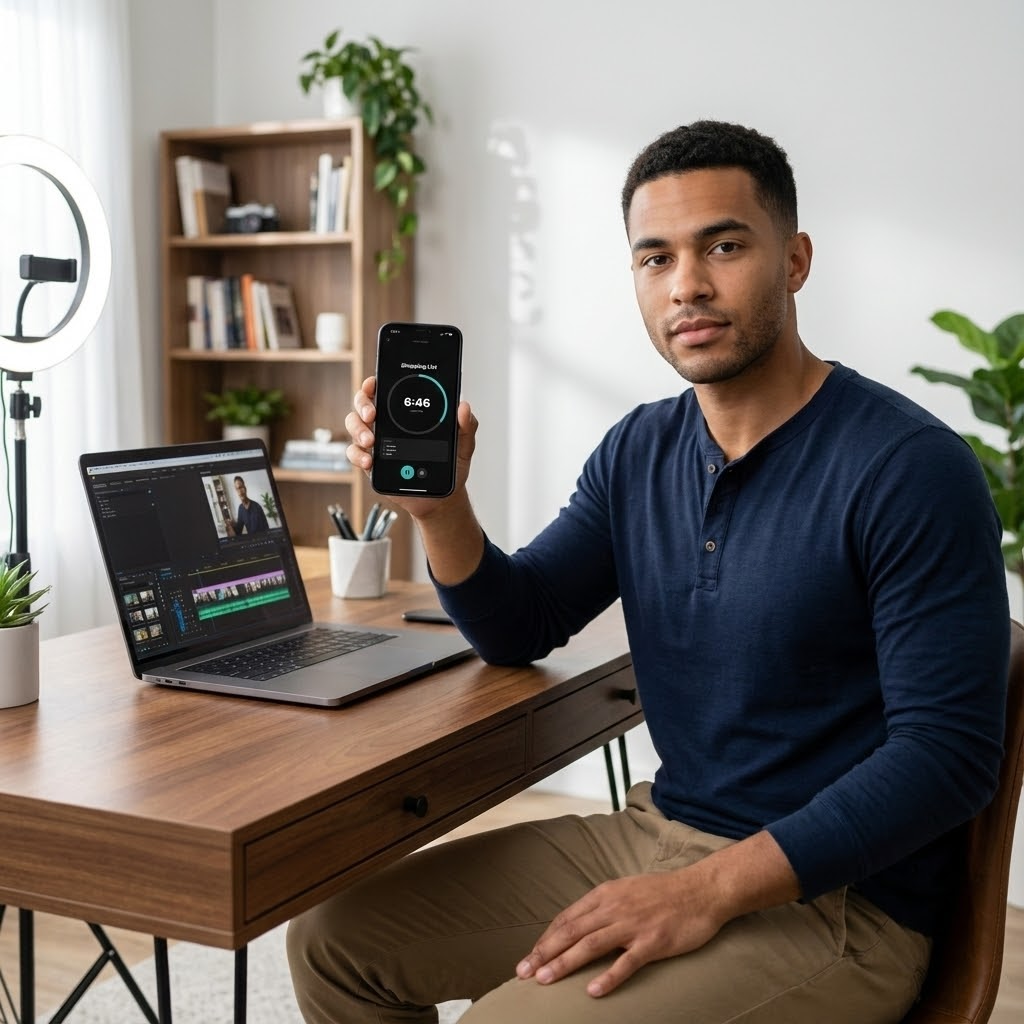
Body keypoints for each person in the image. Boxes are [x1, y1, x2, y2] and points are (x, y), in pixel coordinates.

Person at [286, 121, 1010, 1023]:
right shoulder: (640, 448)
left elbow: (947, 758)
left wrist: (706, 891)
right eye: (654, 259)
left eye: (725, 246)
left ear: (795, 260)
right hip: (656, 833)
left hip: (838, 903)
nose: (688, 286)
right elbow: (524, 620)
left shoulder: (908, 467)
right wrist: (442, 508)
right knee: (334, 942)